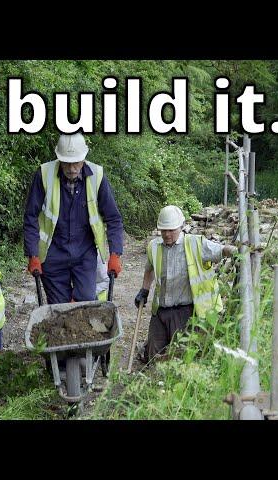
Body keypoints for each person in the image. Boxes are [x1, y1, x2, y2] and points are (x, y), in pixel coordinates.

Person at [23, 133, 124, 304]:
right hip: (53, 253)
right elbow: (31, 216)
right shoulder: (44, 174)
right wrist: (33, 254)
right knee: (59, 308)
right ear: (59, 159)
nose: (71, 168)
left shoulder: (97, 176)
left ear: (84, 157)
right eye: (67, 163)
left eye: (76, 162)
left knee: (85, 301)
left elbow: (113, 218)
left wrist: (115, 253)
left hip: (84, 253)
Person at [134, 205, 238, 363]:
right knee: (153, 358)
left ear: (181, 227)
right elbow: (149, 269)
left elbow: (222, 250)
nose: (167, 234)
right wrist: (144, 290)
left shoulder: (196, 244)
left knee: (179, 357)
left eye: (171, 230)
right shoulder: (154, 247)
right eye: (163, 230)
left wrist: (237, 252)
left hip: (185, 312)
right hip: (160, 311)